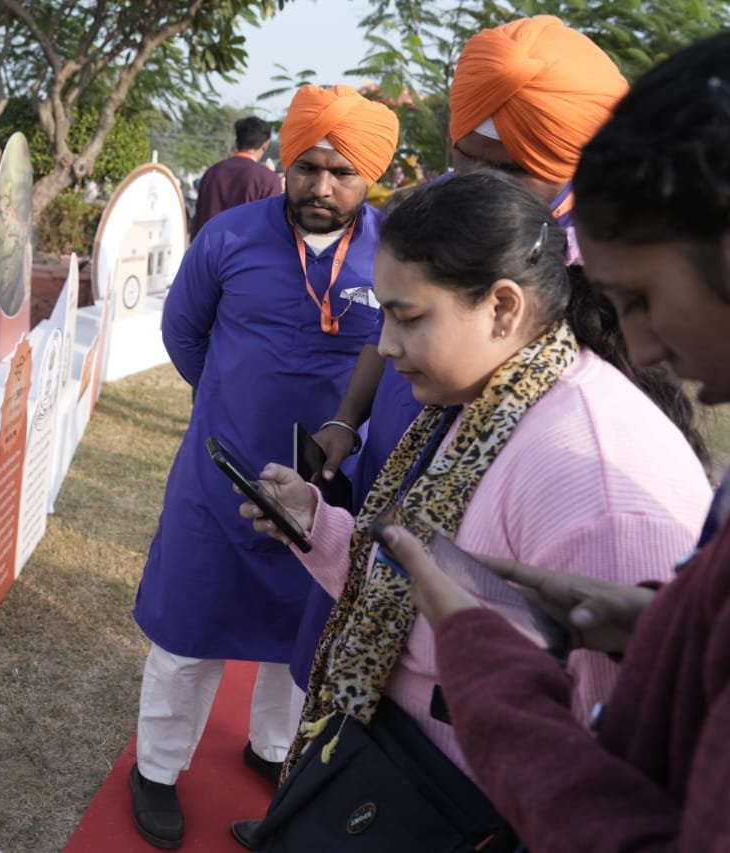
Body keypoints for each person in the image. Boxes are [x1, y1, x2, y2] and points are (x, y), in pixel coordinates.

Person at [233, 172, 710, 850]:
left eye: (408, 317)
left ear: (502, 307)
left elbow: (616, 761)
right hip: (391, 783)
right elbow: (413, 593)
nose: (386, 346)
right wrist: (315, 523)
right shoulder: (489, 400)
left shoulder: (599, 489)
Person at [381, 30, 730, 851]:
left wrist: (484, 663)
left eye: (641, 298)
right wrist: (661, 628)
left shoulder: (602, 477)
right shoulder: (503, 399)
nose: (638, 347)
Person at [127, 84, 398, 849]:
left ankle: (272, 748)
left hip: (327, 484)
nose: (321, 186)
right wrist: (231, 402)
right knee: (188, 627)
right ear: (285, 161)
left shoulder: (397, 251)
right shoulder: (229, 236)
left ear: (370, 176)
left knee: (300, 632)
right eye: (307, 166)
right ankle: (156, 768)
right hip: (221, 472)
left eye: (341, 172)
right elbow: (184, 333)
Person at [312, 16, 703, 511]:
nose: (480, 182)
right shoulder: (438, 204)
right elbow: (381, 329)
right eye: (466, 157)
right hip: (396, 450)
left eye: (511, 169)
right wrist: (347, 420)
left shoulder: (610, 252)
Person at [190, 116, 281, 235]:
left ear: (236, 142)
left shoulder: (211, 173)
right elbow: (272, 229)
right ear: (265, 145)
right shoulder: (268, 179)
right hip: (247, 247)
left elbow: (198, 221)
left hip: (208, 245)